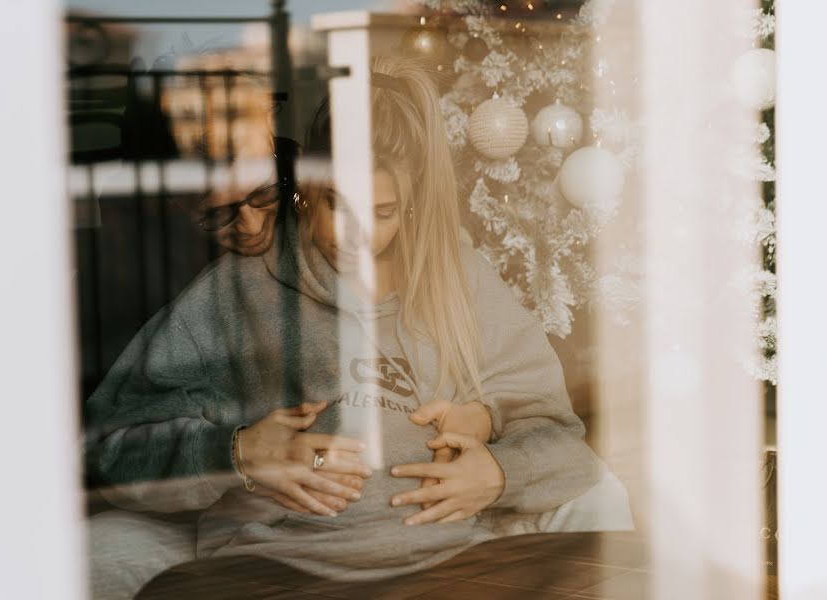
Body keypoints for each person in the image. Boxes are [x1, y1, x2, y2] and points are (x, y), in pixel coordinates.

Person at [85, 55, 631, 599]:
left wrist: (500, 468)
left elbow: (560, 433)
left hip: (455, 565)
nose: (356, 235)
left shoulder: (456, 280)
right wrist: (237, 452)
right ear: (307, 189)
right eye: (336, 205)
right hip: (284, 569)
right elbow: (107, 446)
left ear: (409, 207)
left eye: (383, 212)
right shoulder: (232, 293)